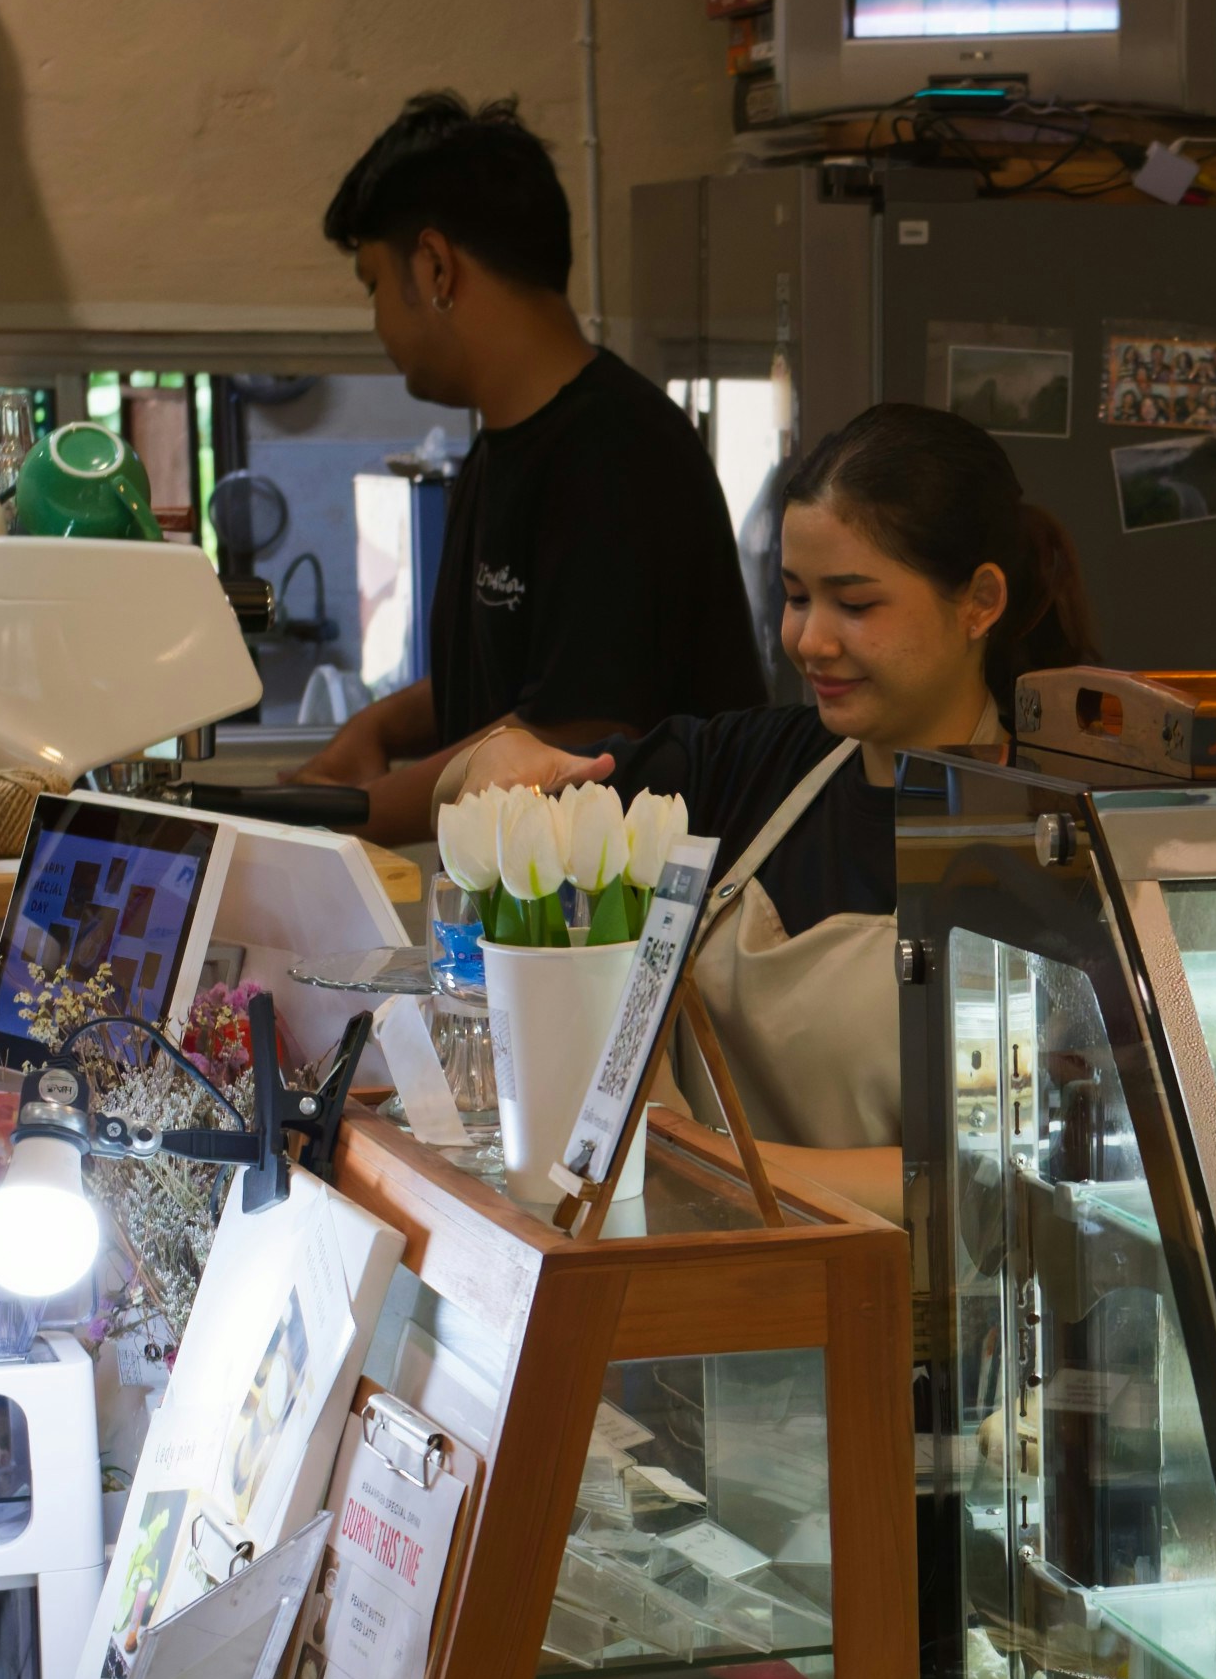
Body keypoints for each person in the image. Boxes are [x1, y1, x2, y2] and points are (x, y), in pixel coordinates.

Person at [420, 402, 1093, 1174]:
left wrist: (709, 1159)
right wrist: (495, 759)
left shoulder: (1045, 839)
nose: (810, 640)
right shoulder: (746, 766)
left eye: (856, 603)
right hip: (699, 1247)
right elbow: (463, 795)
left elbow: (989, 1172)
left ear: (980, 601)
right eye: (797, 597)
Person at [285, 94, 763, 830]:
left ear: (436, 267)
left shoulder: (618, 453)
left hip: (638, 928)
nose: (377, 321)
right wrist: (376, 732)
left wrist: (346, 813)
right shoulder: (502, 447)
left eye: (375, 285)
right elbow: (511, 677)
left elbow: (575, 732)